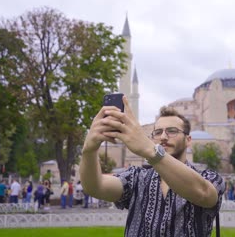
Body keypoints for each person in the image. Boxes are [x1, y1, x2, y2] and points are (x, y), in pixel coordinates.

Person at [80, 97, 225, 237]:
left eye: (172, 131)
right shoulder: (136, 177)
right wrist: (89, 150)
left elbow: (203, 194)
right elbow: (95, 187)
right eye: (157, 132)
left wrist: (150, 151)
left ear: (188, 140)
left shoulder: (209, 178)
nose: (163, 137)